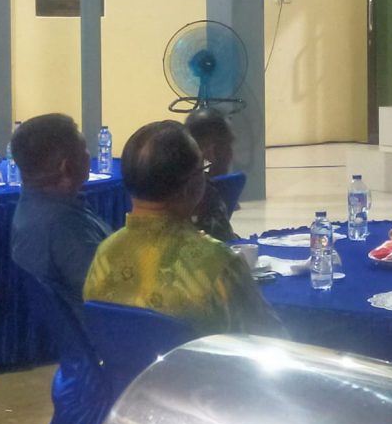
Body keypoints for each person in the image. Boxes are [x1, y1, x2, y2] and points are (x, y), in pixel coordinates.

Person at [84, 120, 283, 336]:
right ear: (191, 186)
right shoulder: (217, 264)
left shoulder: (105, 255)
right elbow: (269, 339)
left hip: (126, 359)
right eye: (203, 169)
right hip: (197, 360)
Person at [9, 114, 111, 314]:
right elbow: (113, 295)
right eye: (84, 149)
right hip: (98, 327)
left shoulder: (33, 207)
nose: (89, 155)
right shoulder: (65, 229)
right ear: (67, 166)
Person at [184, 107, 237, 241]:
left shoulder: (198, 184)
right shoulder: (201, 194)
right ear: (211, 148)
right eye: (227, 145)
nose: (231, 154)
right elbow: (223, 243)